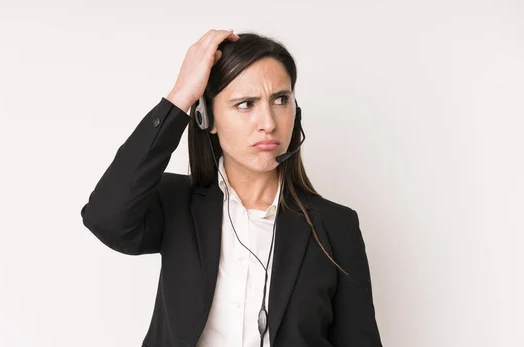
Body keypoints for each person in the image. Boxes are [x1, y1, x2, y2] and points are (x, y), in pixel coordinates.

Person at [80, 29, 383, 347]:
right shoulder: (176, 203)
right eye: (246, 104)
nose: (268, 121)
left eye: (281, 100)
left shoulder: (336, 226)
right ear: (207, 117)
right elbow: (105, 217)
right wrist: (181, 96)